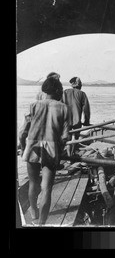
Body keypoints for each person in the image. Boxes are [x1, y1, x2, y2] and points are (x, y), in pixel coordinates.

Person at [19, 77, 72, 225]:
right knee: (46, 188)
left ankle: (34, 214)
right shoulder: (64, 108)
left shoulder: (33, 106)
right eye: (60, 89)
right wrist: (60, 149)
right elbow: (65, 136)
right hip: (51, 149)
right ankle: (42, 223)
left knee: (33, 183)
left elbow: (22, 132)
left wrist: (23, 148)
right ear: (57, 90)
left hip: (32, 147)